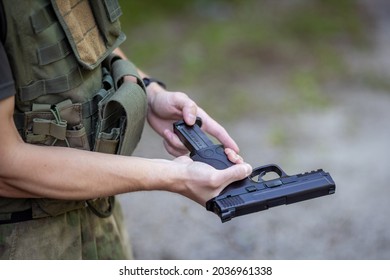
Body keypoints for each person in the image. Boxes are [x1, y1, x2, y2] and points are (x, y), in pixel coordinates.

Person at [0, 0, 252, 259]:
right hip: (23, 239)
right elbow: (6, 166)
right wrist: (175, 176)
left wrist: (150, 92)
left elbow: (90, 44)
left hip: (100, 211)